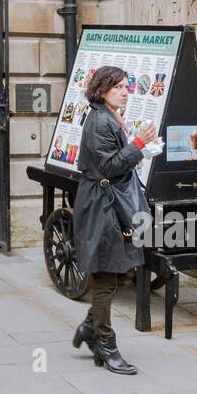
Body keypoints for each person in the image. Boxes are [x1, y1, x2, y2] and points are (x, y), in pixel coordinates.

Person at [71, 65, 158, 374]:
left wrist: (136, 145)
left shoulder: (109, 116)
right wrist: (138, 145)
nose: (125, 91)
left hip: (111, 204)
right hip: (103, 208)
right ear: (102, 89)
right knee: (108, 275)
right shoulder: (99, 121)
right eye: (118, 87)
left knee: (119, 270)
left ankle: (89, 327)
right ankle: (105, 342)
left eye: (125, 86)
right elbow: (108, 167)